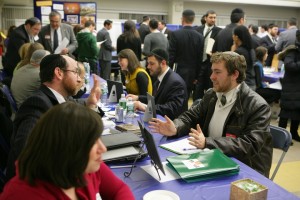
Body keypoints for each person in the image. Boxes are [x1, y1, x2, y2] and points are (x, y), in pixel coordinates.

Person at [149, 51, 272, 177]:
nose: (211, 77)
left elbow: (249, 144)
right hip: (213, 160)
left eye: (217, 72)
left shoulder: (258, 106)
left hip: (245, 170)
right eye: (212, 71)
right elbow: (191, 116)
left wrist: (208, 143)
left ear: (235, 74)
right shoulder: (211, 95)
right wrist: (175, 127)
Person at [1, 102, 134, 199]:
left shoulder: (82, 167)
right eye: (92, 141)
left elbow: (119, 190)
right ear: (69, 147)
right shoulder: (23, 195)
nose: (103, 148)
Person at [6, 54, 104, 181]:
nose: (79, 79)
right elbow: (25, 154)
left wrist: (91, 104)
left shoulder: (63, 98)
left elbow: (79, 110)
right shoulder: (37, 104)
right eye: (75, 72)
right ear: (59, 73)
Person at [128, 48, 188, 120]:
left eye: (152, 64)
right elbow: (155, 100)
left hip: (171, 126)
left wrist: (145, 107)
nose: (148, 67)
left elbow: (171, 109)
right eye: (148, 63)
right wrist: (138, 98)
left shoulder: (176, 82)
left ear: (163, 63)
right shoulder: (159, 78)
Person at [169, 9, 204, 99]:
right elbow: (200, 58)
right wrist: (197, 76)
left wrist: (169, 72)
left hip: (177, 72)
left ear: (182, 19)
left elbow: (171, 56)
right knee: (186, 97)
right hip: (192, 74)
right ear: (193, 19)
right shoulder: (200, 37)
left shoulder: (175, 34)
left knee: (175, 97)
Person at [278, 30, 300, 142]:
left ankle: (294, 133)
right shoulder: (292, 51)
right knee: (286, 112)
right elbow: (289, 65)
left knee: (297, 111)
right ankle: (281, 136)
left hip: (297, 86)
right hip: (290, 86)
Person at [194, 10, 222, 100]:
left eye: (214, 17)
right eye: (211, 17)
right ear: (205, 18)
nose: (213, 19)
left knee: (211, 87)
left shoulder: (219, 31)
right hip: (199, 63)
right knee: (198, 88)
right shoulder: (197, 30)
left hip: (211, 63)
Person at [231, 25, 256, 90]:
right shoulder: (251, 50)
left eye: (233, 35)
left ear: (236, 37)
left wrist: (232, 51)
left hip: (242, 85)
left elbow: (230, 66)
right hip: (251, 83)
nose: (232, 37)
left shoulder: (239, 51)